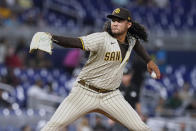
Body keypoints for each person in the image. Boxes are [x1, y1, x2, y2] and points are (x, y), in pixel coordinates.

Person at [31, 8, 160, 131]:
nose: (115, 23)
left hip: (110, 95)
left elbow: (136, 44)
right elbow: (76, 42)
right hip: (84, 92)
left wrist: (149, 61)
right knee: (54, 125)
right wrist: (52, 37)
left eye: (119, 21)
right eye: (113, 20)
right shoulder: (101, 39)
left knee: (141, 128)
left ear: (129, 24)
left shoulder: (131, 40)